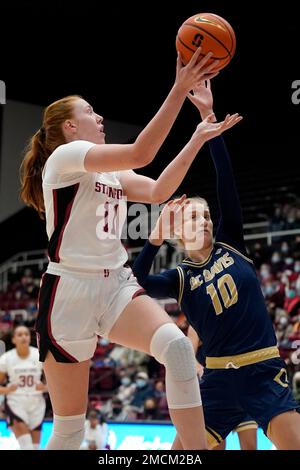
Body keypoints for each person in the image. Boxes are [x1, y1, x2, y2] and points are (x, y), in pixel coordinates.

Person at [19, 46, 241, 450]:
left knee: (176, 348)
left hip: (116, 284)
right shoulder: (64, 158)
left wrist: (195, 139)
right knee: (70, 429)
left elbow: (158, 190)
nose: (99, 117)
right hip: (68, 292)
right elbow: (142, 150)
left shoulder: (112, 172)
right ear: (70, 126)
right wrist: (178, 89)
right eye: (90, 112)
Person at [132, 80, 300, 450]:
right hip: (217, 380)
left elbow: (226, 180)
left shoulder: (231, 243)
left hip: (263, 371)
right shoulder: (178, 278)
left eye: (206, 215)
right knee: (181, 454)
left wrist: (209, 118)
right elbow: (136, 280)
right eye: (195, 217)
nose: (206, 221)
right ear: (179, 231)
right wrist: (153, 239)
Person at [188, 324, 257, 450]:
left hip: (241, 385)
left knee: (250, 446)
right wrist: (199, 368)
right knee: (217, 447)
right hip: (215, 389)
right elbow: (189, 356)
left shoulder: (237, 317)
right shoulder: (196, 324)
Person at [0, 325, 47, 450]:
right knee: (26, 446)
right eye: (20, 335)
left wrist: (45, 387)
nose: (24, 337)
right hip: (16, 403)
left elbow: (54, 384)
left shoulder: (39, 355)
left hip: (37, 403)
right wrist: (8, 390)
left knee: (35, 448)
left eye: (26, 334)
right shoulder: (6, 358)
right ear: (14, 339)